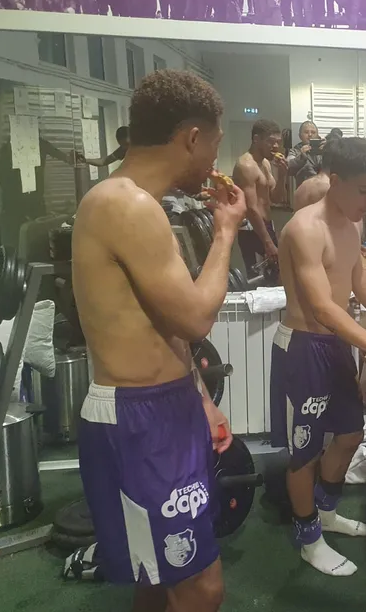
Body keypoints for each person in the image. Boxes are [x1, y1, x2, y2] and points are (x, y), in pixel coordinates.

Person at [72, 70, 244, 611]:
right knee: (200, 588)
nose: (214, 162)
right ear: (191, 138)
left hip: (165, 406)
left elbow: (162, 325)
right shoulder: (124, 204)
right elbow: (195, 319)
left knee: (157, 575)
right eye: (214, 145)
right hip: (139, 417)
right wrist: (226, 232)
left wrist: (200, 398)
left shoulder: (137, 203)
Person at [271, 137, 366, 577]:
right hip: (303, 347)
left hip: (335, 344)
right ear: (335, 181)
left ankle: (326, 511)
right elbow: (322, 307)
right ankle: (308, 538)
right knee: (304, 451)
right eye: (363, 191)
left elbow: (358, 282)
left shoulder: (352, 225)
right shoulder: (304, 228)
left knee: (351, 434)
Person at [233, 119, 287, 280]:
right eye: (271, 141)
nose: (275, 146)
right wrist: (268, 242)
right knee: (259, 279)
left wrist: (282, 175)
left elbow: (276, 198)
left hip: (266, 225)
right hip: (251, 228)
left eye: (278, 142)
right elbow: (251, 208)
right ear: (256, 139)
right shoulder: (246, 165)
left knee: (276, 275)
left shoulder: (265, 164)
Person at [287, 121, 323, 187]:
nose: (310, 135)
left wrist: (328, 151)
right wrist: (301, 157)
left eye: (313, 132)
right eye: (306, 132)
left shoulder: (323, 149)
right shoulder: (295, 151)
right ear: (300, 136)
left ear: (317, 135)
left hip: (322, 188)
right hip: (303, 189)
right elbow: (288, 168)